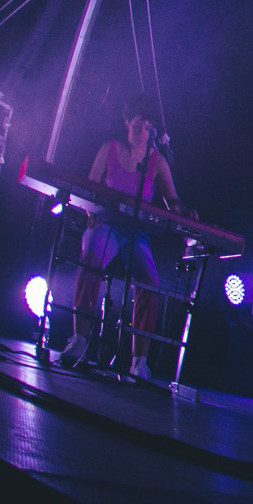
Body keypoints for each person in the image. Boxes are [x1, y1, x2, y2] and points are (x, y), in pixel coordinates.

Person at [56, 92, 193, 380]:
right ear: (126, 122)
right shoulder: (109, 149)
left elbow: (173, 201)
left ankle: (139, 361)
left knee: (150, 282)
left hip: (135, 234)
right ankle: (79, 339)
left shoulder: (157, 161)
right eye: (136, 126)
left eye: (147, 128)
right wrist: (89, 211)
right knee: (91, 259)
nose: (141, 133)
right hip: (105, 223)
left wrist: (185, 211)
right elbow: (88, 188)